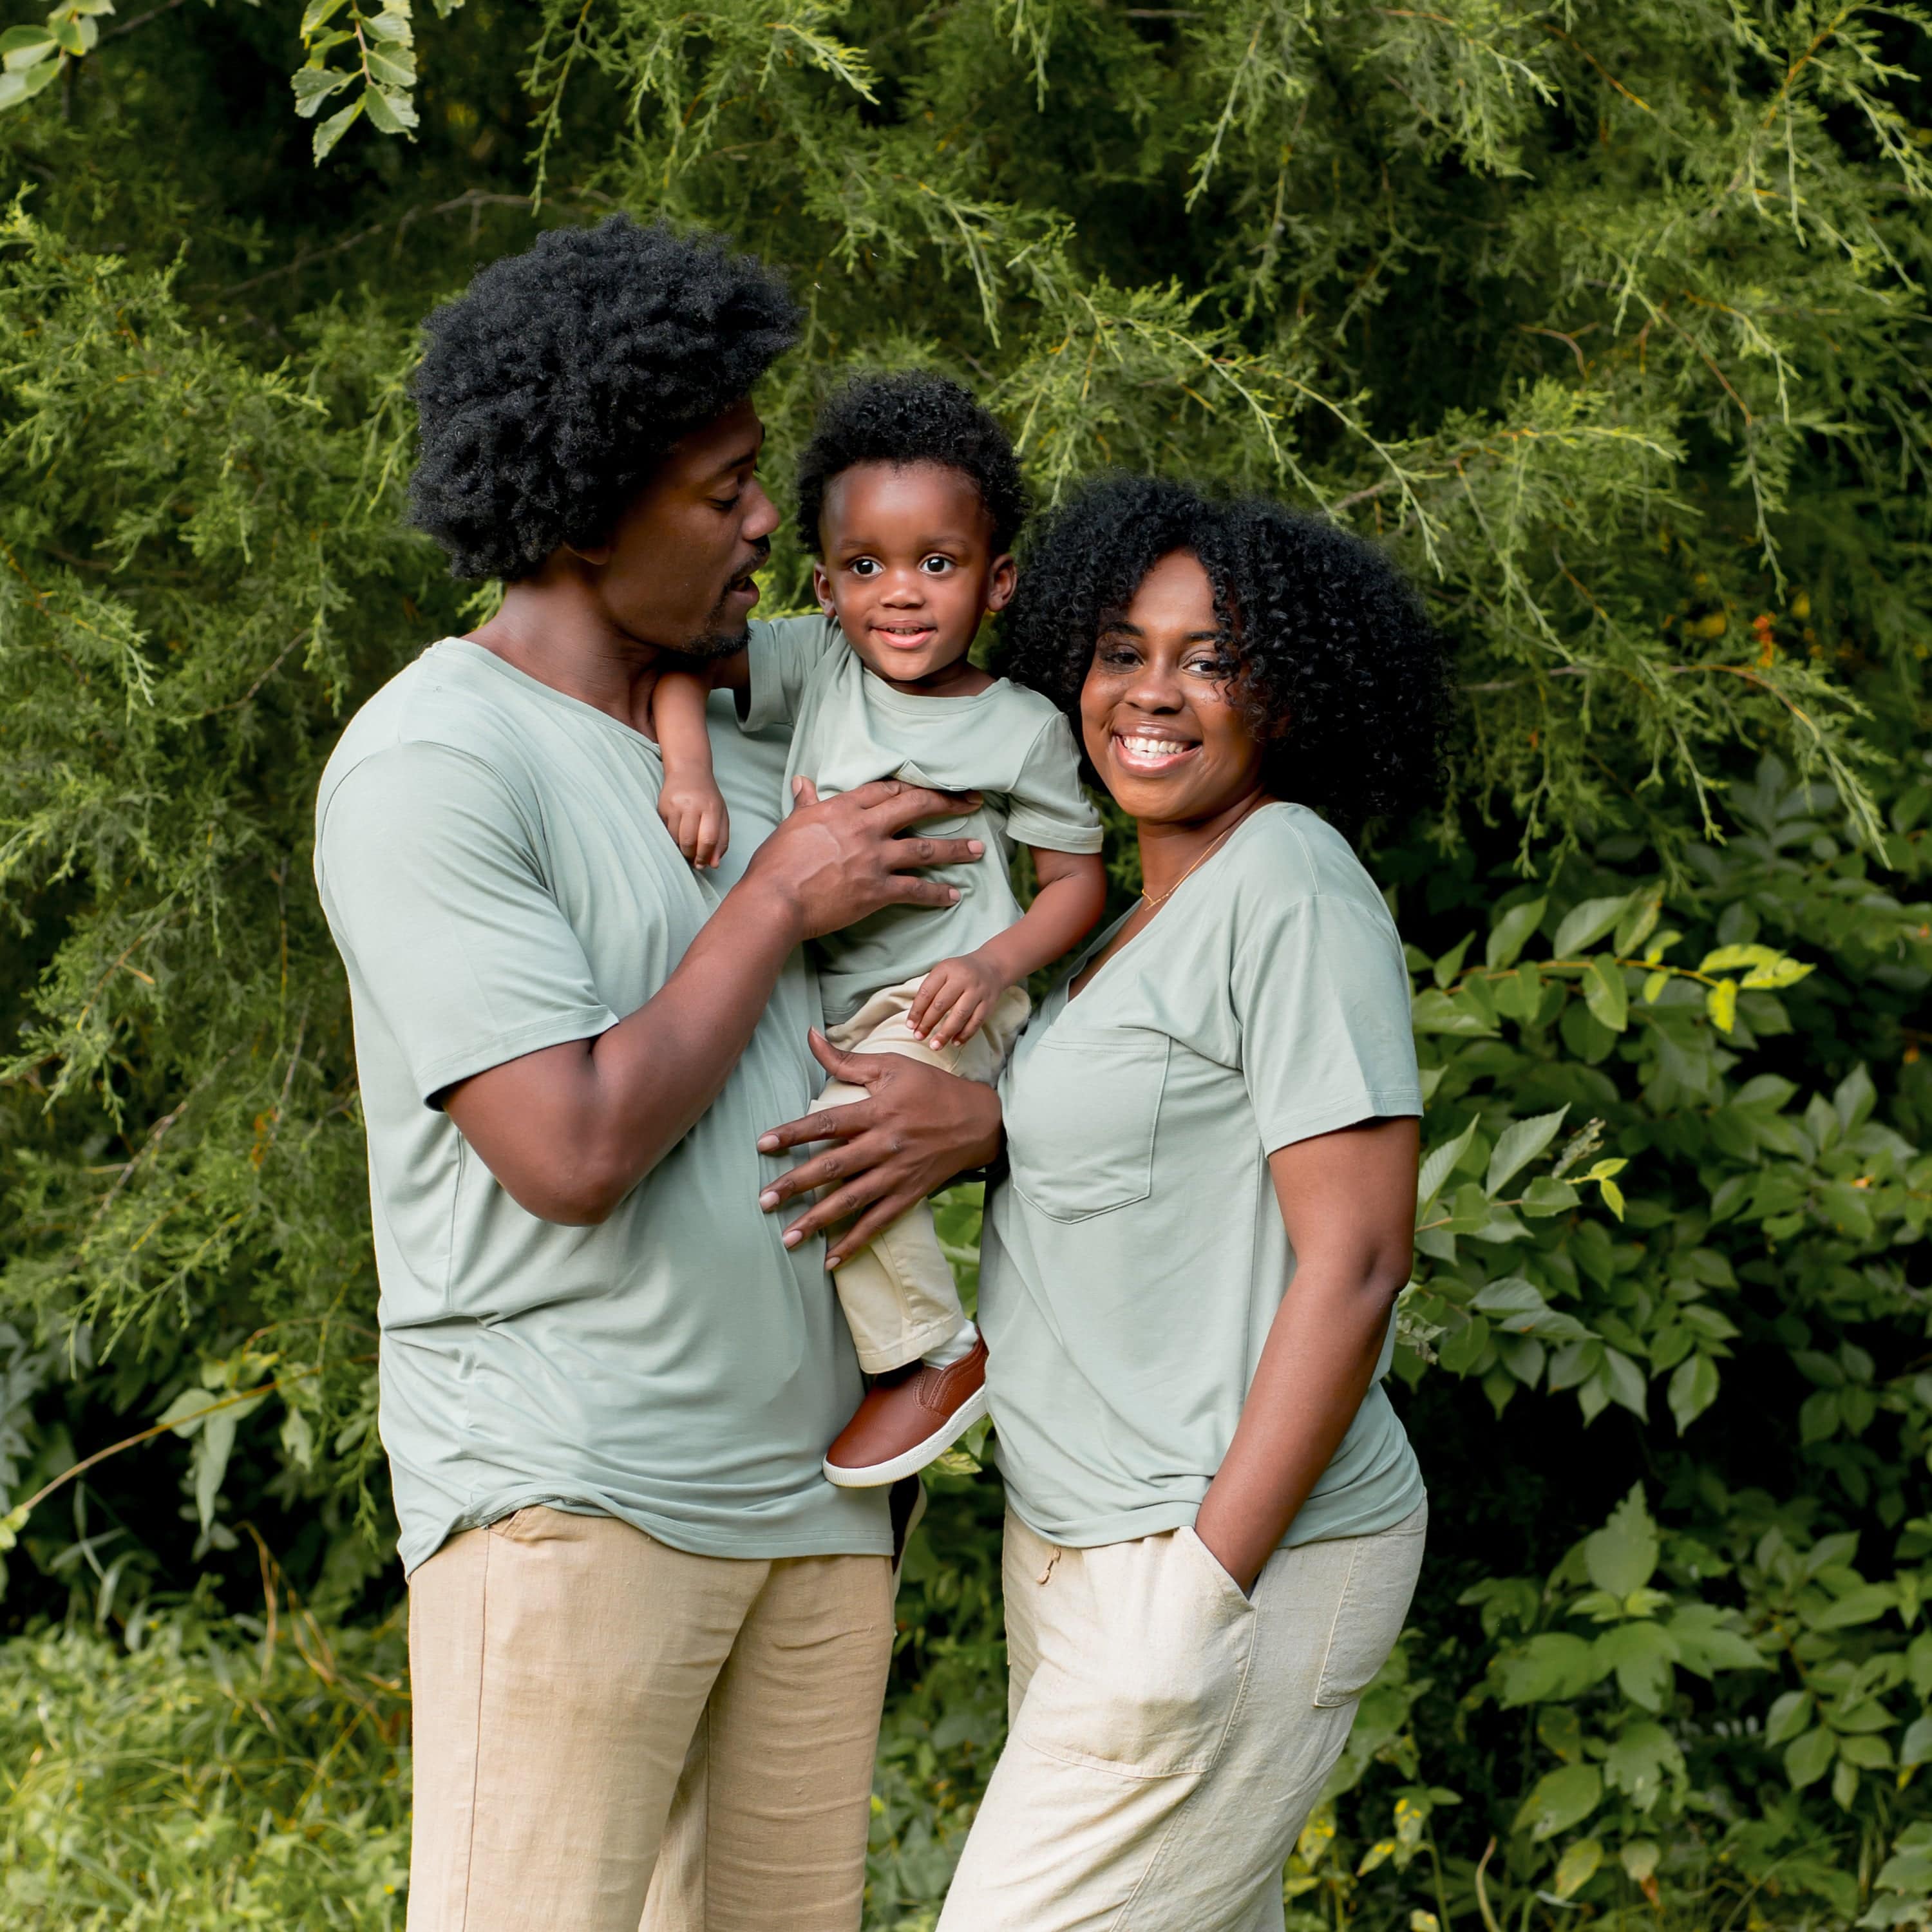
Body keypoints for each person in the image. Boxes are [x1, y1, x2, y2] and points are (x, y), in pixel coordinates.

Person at [312, 214, 999, 1932]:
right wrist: (774, 897)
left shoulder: (762, 729)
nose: (772, 520)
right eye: (723, 490)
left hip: (820, 1500)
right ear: (578, 509)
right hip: (572, 1498)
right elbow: (571, 1144)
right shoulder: (432, 762)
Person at [766, 473, 1454, 1929]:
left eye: (1212, 658)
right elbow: (1165, 1170)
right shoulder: (1129, 927)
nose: (1155, 693)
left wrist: (1202, 1589)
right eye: (1123, 651)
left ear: (1297, 688)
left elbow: (1361, 1257)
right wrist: (989, 1131)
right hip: (1077, 1545)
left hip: (1223, 1558)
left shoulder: (1291, 882)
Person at [651, 375, 1108, 1487]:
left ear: (995, 581)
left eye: (936, 565)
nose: (900, 597)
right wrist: (691, 771)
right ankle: (897, 1347)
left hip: (948, 996)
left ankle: (934, 1359)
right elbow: (674, 662)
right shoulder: (819, 664)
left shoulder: (1024, 729)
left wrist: (992, 965)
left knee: (849, 1133)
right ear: (825, 584)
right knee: (819, 1140)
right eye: (866, 567)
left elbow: (1079, 885)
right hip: (833, 1002)